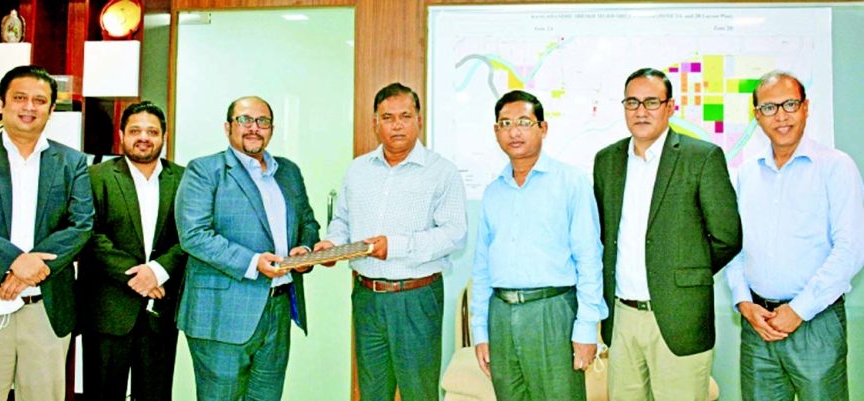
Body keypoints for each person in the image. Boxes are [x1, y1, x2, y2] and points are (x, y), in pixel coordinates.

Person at [0, 65, 94, 401]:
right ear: (1, 103)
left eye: (40, 100)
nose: (29, 107)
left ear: (52, 109)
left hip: (47, 305)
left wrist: (29, 272)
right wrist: (14, 262)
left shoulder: (72, 162)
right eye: (20, 98)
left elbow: (81, 224)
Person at [592, 67, 742, 401]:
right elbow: (604, 236)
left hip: (679, 317)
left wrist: (684, 274)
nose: (641, 111)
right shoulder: (607, 161)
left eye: (651, 102)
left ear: (670, 106)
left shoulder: (701, 157)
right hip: (622, 318)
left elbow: (727, 236)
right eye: (632, 102)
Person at [314, 82, 467, 401]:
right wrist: (331, 244)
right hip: (367, 297)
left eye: (405, 116)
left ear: (418, 120)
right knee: (371, 391)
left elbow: (454, 233)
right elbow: (342, 220)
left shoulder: (442, 172)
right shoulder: (358, 170)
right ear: (375, 123)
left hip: (415, 297)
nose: (396, 124)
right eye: (387, 117)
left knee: (418, 393)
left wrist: (394, 246)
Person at [724, 71, 864, 401]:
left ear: (805, 107)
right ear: (756, 115)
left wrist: (799, 309)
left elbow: (851, 249)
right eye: (770, 108)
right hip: (758, 326)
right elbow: (735, 246)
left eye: (790, 104)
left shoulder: (835, 166)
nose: (781, 116)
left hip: (815, 324)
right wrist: (743, 301)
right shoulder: (746, 173)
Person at [175, 95, 320, 400]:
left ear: (272, 129)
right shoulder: (204, 170)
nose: (254, 128)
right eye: (245, 120)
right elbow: (194, 235)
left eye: (263, 121)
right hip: (221, 314)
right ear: (228, 127)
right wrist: (253, 262)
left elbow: (308, 221)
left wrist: (305, 249)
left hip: (277, 307)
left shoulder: (288, 172)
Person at [470, 90, 607, 401]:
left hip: (552, 312)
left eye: (523, 122)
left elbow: (589, 258)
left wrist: (586, 328)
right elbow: (481, 265)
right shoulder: (494, 192)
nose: (514, 131)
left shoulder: (571, 183)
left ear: (543, 128)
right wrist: (481, 330)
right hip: (501, 315)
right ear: (496, 132)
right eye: (505, 123)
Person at [79, 101, 187, 401]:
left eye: (152, 131)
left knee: (155, 395)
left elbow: (192, 237)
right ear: (122, 134)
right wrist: (138, 275)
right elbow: (89, 235)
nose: (144, 137)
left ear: (164, 136)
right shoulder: (95, 177)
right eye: (136, 130)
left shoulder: (185, 180)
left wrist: (158, 271)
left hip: (161, 312)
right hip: (108, 310)